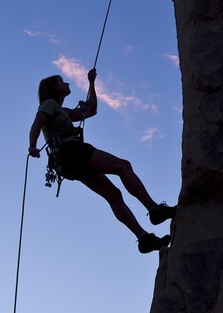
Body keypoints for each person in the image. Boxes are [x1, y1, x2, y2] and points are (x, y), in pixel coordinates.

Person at [28, 68, 176, 253]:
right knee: (123, 166)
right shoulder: (49, 104)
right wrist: (32, 145)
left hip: (67, 164)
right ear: (54, 88)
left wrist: (91, 83)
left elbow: (91, 110)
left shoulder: (62, 111)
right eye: (62, 81)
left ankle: (143, 238)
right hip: (72, 152)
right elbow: (37, 124)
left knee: (113, 195)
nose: (66, 83)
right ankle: (154, 210)